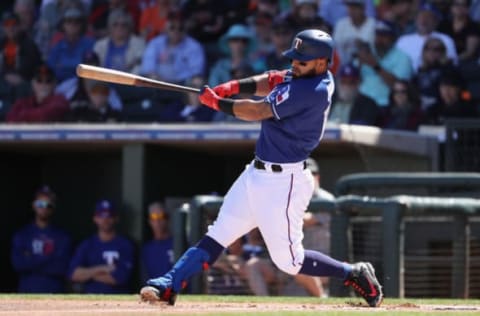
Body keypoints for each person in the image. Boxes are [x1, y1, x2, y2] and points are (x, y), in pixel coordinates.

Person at [140, 29, 384, 308]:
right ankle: (169, 284)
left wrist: (218, 103)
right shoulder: (307, 73)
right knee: (219, 233)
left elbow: (256, 111)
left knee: (290, 262)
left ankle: (352, 272)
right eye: (294, 59)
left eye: (301, 61)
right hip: (255, 174)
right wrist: (233, 86)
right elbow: (272, 79)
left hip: (285, 182)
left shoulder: (312, 90)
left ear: (321, 62)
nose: (295, 64)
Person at [10, 186, 72, 293]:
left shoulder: (62, 236)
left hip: (55, 293)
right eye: (40, 204)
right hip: (26, 293)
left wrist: (31, 258)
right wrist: (49, 259)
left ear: (53, 207)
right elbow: (18, 264)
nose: (44, 207)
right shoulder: (22, 234)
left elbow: (62, 267)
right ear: (33, 205)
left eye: (48, 205)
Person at [68, 199, 135, 294]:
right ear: (95, 218)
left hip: (117, 299)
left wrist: (88, 275)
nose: (105, 219)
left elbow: (121, 278)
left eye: (109, 215)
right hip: (90, 299)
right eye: (101, 215)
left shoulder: (125, 244)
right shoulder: (87, 244)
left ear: (116, 218)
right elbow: (73, 274)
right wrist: (102, 268)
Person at [356, 19, 413, 108]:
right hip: (362, 102)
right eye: (377, 35)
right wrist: (359, 63)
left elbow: (398, 86)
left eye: (384, 36)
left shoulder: (403, 58)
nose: (379, 39)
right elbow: (352, 81)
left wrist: (375, 66)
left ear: (393, 38)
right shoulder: (368, 53)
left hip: (386, 105)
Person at [395, 2, 458, 72]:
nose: (424, 20)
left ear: (436, 21)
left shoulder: (446, 39)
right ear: (416, 19)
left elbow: (452, 65)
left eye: (429, 16)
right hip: (406, 79)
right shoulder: (403, 40)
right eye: (421, 16)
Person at [47, 7, 95, 83]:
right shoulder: (57, 47)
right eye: (69, 21)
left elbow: (91, 69)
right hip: (59, 85)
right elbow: (50, 69)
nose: (73, 24)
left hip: (82, 85)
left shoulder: (90, 44)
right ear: (63, 25)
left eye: (77, 21)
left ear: (82, 25)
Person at [93, 9, 146, 74]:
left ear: (130, 27)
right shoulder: (100, 45)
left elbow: (139, 66)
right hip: (103, 82)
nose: (119, 27)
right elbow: (94, 67)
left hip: (129, 81)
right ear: (109, 27)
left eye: (124, 25)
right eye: (115, 24)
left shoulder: (139, 44)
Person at [332, 0, 376, 65]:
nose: (352, 10)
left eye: (355, 7)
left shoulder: (374, 24)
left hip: (367, 66)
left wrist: (362, 44)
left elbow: (375, 49)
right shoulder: (341, 24)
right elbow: (335, 46)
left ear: (363, 8)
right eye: (350, 7)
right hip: (343, 66)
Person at [141, 202, 174, 282]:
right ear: (149, 221)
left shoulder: (178, 244)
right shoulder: (147, 249)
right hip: (154, 291)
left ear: (167, 219)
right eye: (154, 217)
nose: (158, 221)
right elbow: (145, 279)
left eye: (161, 216)